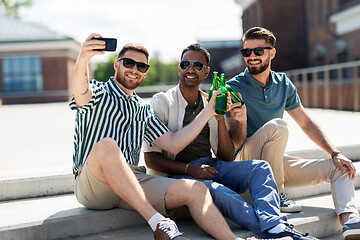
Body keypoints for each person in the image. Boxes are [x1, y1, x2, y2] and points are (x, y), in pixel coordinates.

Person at [70, 33, 291, 240]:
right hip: (94, 185)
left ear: (146, 73)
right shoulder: (98, 93)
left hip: (133, 181)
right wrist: (84, 58)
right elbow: (81, 92)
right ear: (116, 64)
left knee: (196, 189)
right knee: (107, 146)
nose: (134, 69)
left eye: (141, 66)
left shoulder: (142, 109)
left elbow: (173, 144)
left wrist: (210, 113)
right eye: (128, 63)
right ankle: (158, 222)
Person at [143, 43, 317, 240]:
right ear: (179, 68)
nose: (190, 69)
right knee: (220, 191)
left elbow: (225, 156)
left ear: (206, 72)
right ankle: (275, 232)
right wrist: (189, 170)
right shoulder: (162, 102)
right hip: (178, 176)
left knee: (261, 168)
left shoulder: (211, 101)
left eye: (197, 66)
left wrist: (220, 120)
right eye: (185, 64)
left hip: (210, 165)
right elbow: (151, 160)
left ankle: (274, 226)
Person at [226, 26, 360, 240]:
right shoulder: (233, 86)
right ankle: (276, 195)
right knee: (278, 126)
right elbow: (234, 142)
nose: (251, 57)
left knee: (340, 168)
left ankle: (350, 220)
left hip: (274, 163)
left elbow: (305, 122)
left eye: (258, 51)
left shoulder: (283, 83)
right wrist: (239, 120)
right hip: (245, 163)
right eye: (246, 52)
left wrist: (334, 153)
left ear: (272, 53)